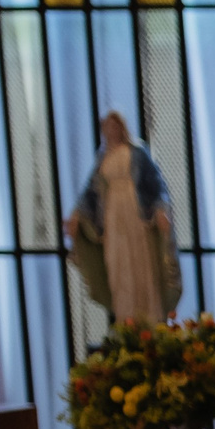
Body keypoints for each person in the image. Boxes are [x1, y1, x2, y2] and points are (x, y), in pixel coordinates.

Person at [68, 112, 182, 323]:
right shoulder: (103, 158)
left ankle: (150, 317)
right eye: (107, 127)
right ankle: (126, 318)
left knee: (141, 263)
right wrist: (76, 215)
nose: (111, 131)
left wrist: (159, 209)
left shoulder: (137, 153)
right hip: (112, 218)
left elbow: (155, 184)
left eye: (115, 126)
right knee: (119, 265)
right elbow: (90, 192)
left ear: (121, 127)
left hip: (135, 214)